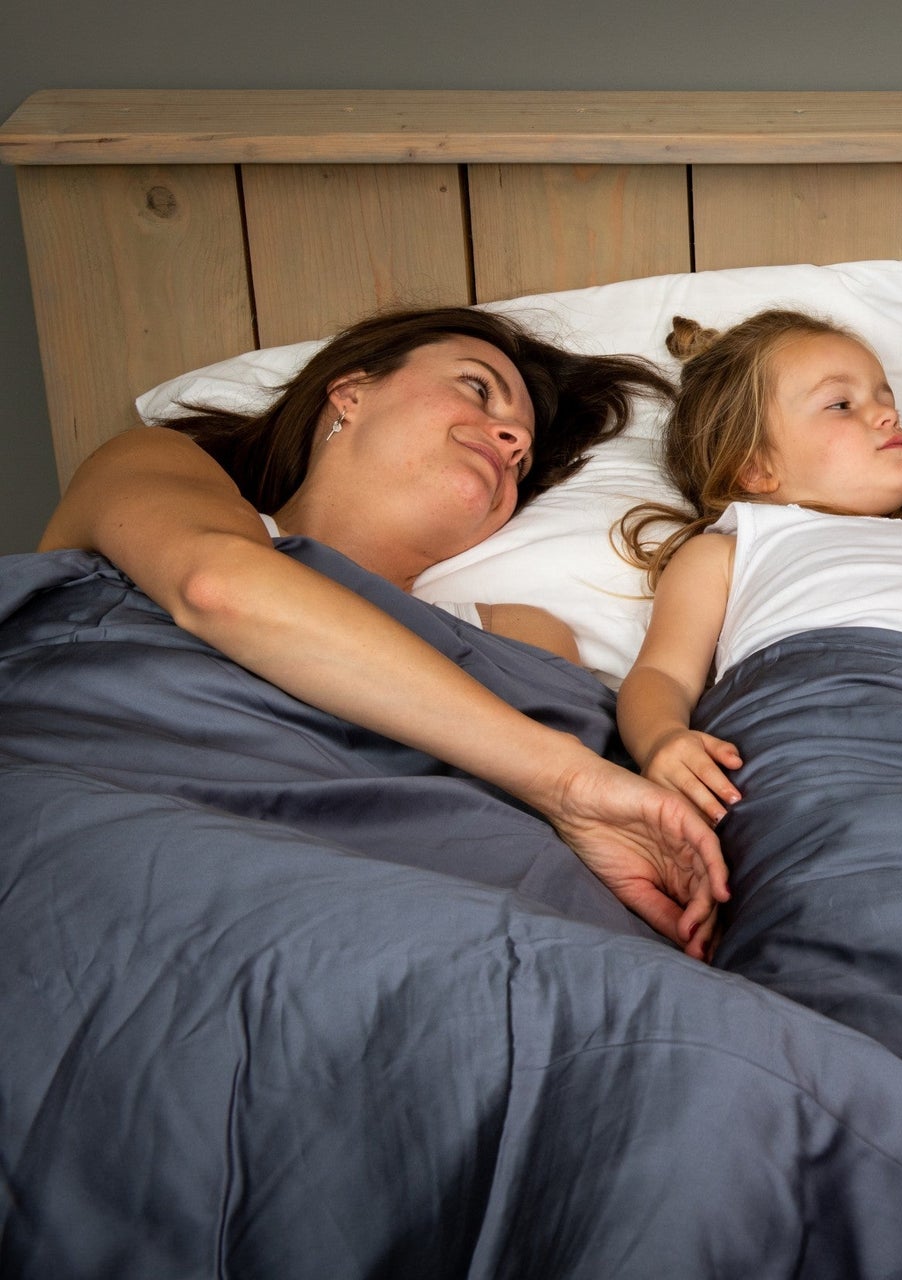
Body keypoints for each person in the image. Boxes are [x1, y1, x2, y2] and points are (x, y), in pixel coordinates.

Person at [39, 305, 729, 958]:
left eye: (521, 458)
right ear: (350, 393)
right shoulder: (158, 464)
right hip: (97, 842)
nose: (513, 440)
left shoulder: (523, 636)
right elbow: (216, 585)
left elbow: (526, 843)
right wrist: (569, 781)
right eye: (477, 389)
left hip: (398, 920)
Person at [618, 310, 902, 824]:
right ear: (757, 467)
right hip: (802, 726)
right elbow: (661, 672)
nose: (887, 415)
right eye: (841, 404)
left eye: (884, 397)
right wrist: (663, 740)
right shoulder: (730, 550)